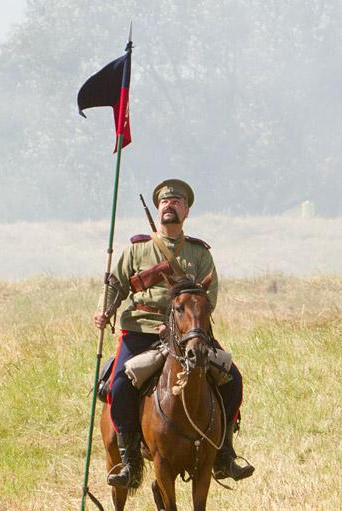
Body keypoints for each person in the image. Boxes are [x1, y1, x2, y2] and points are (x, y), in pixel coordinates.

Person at [93, 178, 254, 488]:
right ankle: (129, 461)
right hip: (140, 330)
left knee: (231, 377)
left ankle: (224, 455)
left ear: (186, 210)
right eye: (165, 202)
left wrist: (185, 323)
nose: (170, 205)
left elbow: (210, 297)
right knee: (120, 385)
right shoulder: (137, 250)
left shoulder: (199, 253)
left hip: (187, 332)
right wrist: (104, 311)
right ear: (158, 209)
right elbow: (115, 284)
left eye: (177, 202)